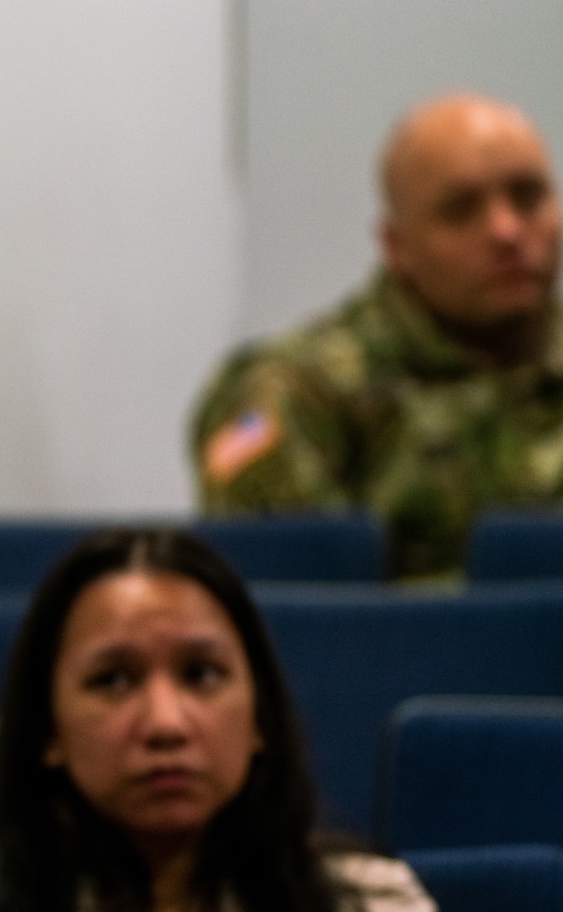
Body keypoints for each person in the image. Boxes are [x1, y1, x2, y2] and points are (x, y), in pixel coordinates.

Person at [0, 529, 471, 912]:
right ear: (47, 732)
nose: (166, 724)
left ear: (259, 718)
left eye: (202, 675)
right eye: (113, 680)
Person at [191, 94, 563, 577]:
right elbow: (307, 616)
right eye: (460, 210)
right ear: (397, 247)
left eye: (528, 196)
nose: (507, 230)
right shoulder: (296, 391)